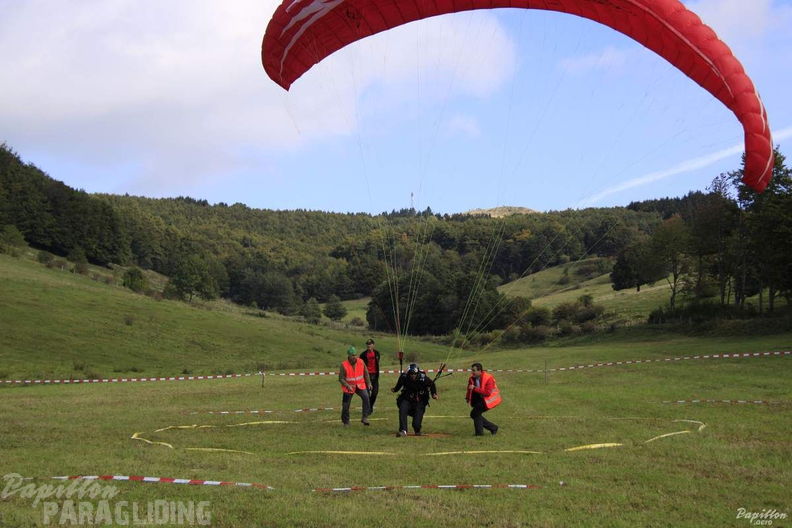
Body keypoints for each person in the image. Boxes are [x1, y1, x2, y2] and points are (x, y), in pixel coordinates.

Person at [391, 363, 437, 437]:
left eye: (415, 374)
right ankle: (403, 430)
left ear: (417, 373)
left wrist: (434, 394)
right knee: (403, 408)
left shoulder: (423, 378)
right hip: (407, 399)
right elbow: (399, 384)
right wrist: (395, 389)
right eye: (411, 374)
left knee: (416, 424)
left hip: (420, 401)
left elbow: (432, 384)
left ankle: (417, 430)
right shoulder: (404, 377)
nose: (413, 375)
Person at [339, 346, 372, 426]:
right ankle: (346, 422)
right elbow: (341, 378)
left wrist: (369, 383)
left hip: (360, 385)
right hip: (349, 387)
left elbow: (366, 373)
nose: (354, 357)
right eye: (352, 355)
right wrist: (347, 385)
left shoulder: (361, 362)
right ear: (349, 356)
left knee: (366, 398)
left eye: (355, 355)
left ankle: (364, 418)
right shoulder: (344, 365)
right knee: (346, 405)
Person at [465, 362, 501, 436]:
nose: (472, 372)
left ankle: (483, 432)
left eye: (474, 370)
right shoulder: (471, 378)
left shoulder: (489, 378)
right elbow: (469, 389)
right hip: (478, 399)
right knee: (476, 414)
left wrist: (475, 388)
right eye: (472, 370)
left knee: (474, 414)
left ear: (480, 370)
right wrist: (468, 398)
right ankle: (491, 428)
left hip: (487, 400)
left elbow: (487, 393)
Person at [359, 338, 380, 412]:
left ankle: (370, 406)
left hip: (375, 376)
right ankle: (367, 409)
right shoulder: (363, 355)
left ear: (373, 345)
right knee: (367, 395)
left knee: (375, 393)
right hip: (366, 376)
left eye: (370, 344)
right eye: (367, 344)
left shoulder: (377, 353)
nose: (369, 346)